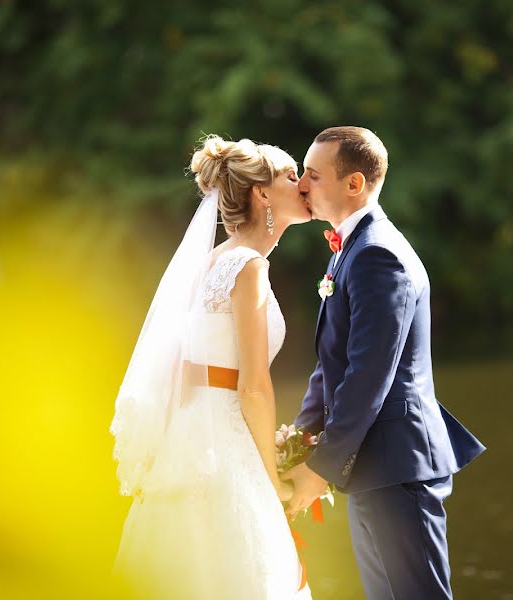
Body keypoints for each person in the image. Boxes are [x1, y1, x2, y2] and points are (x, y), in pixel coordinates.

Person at [282, 126, 486, 600]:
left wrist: (319, 469)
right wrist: (300, 439)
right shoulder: (351, 250)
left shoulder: (377, 254)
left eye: (313, 174)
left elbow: (370, 375)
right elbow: (332, 365)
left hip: (398, 463)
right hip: (373, 465)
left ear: (354, 184)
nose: (302, 186)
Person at [110, 135, 313, 598]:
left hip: (194, 437)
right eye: (290, 175)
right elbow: (254, 389)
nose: (301, 184)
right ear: (262, 193)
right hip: (226, 446)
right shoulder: (248, 268)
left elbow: (188, 373)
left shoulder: (212, 264)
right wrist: (273, 477)